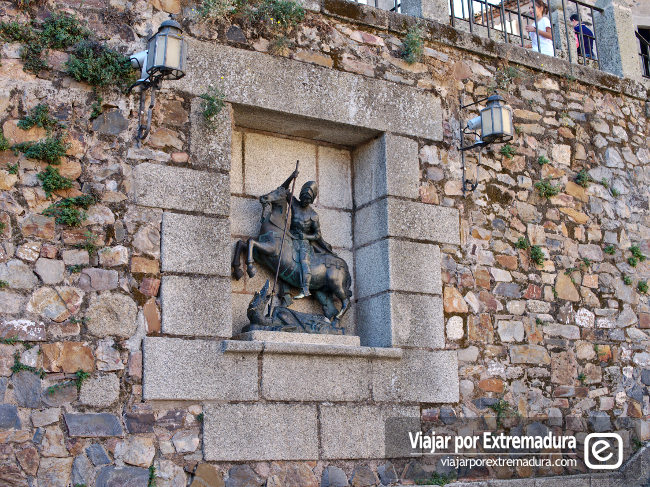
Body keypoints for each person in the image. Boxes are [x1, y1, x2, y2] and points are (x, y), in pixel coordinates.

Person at [277, 170, 335, 299]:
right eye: (303, 197)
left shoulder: (313, 215)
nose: (305, 201)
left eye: (308, 199)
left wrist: (305, 237)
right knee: (281, 257)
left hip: (303, 243)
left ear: (312, 199)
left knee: (304, 262)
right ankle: (284, 290)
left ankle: (305, 289)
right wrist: (291, 177)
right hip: (290, 238)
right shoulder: (295, 204)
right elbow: (282, 189)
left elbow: (317, 235)